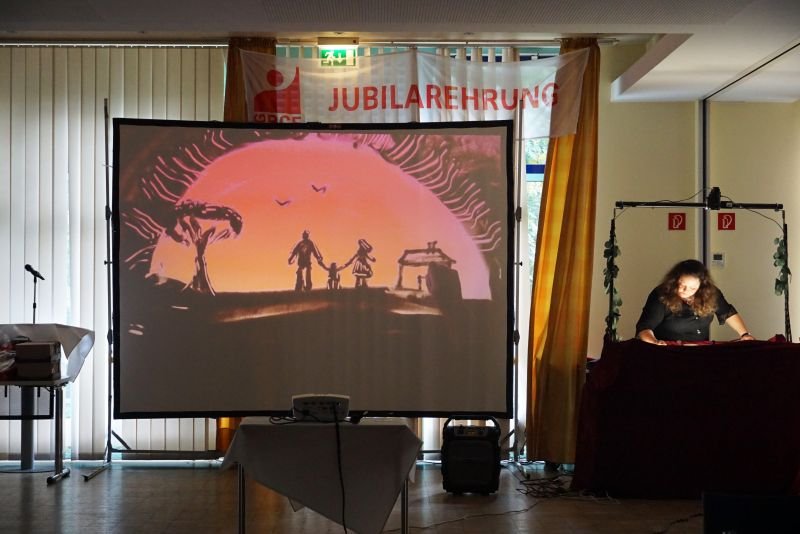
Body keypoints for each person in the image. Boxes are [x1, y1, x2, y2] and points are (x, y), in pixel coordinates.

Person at [635, 259, 755, 345]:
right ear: (674, 281)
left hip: (700, 350)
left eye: (692, 288)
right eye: (682, 286)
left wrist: (744, 334)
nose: (686, 291)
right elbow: (645, 328)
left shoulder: (710, 293)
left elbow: (727, 312)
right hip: (669, 352)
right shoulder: (661, 294)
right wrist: (655, 342)